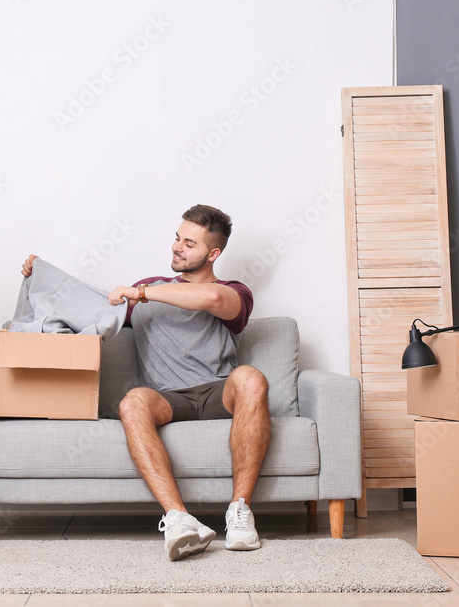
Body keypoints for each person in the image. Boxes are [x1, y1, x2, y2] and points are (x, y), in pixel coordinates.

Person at [21, 204, 271, 561]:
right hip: (168, 399)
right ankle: (180, 519)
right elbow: (91, 310)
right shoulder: (144, 292)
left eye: (190, 243)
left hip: (219, 391)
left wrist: (142, 293)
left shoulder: (233, 290)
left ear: (213, 253)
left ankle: (239, 512)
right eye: (177, 238)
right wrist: (42, 276)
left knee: (250, 377)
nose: (177, 247)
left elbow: (212, 299)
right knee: (132, 400)